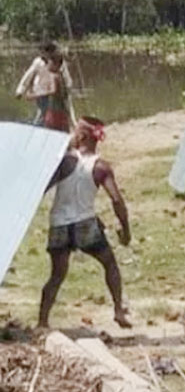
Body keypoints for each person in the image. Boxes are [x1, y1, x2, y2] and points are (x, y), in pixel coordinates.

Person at [39, 117, 131, 329]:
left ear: (80, 136)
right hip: (85, 225)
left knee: (57, 275)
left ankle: (42, 321)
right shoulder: (101, 167)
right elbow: (116, 200)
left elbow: (42, 187)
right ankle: (118, 310)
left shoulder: (64, 162)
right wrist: (125, 229)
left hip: (59, 224)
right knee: (109, 264)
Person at [15, 42, 73, 125]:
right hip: (41, 90)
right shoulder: (38, 62)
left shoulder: (58, 62)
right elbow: (28, 75)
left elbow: (66, 77)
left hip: (53, 93)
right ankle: (39, 126)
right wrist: (20, 90)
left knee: (61, 111)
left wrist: (67, 88)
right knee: (43, 112)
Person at [41, 53, 72, 132]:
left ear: (56, 64)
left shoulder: (53, 76)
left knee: (50, 131)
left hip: (54, 110)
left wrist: (38, 93)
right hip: (62, 109)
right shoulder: (60, 75)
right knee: (63, 131)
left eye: (49, 63)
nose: (47, 65)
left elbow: (53, 90)